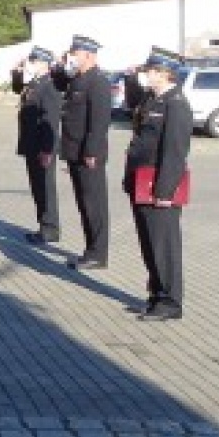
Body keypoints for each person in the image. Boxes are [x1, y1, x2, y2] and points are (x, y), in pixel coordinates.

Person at [123, 48, 193, 321]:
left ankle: (170, 301)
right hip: (141, 182)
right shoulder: (153, 99)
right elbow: (133, 107)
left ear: (165, 73)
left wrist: (165, 191)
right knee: (149, 243)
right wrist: (131, 80)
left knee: (164, 244)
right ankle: (156, 294)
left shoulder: (176, 105)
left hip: (158, 186)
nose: (145, 74)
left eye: (150, 70)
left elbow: (174, 153)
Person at [55, 35, 111, 270]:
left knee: (93, 204)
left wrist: (91, 152)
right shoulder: (78, 78)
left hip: (88, 153)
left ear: (89, 55)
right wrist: (60, 66)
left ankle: (98, 254)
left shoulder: (97, 81)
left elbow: (98, 121)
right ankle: (91, 249)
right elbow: (58, 83)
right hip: (75, 151)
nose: (72, 57)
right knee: (84, 203)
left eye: (75, 54)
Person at [10, 46, 61, 245]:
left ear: (44, 63)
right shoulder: (35, 84)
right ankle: (43, 225)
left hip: (42, 146)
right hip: (32, 144)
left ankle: (50, 228)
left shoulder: (50, 86)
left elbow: (51, 119)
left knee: (46, 187)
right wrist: (16, 71)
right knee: (37, 186)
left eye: (34, 61)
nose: (30, 64)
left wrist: (47, 149)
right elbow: (16, 88)